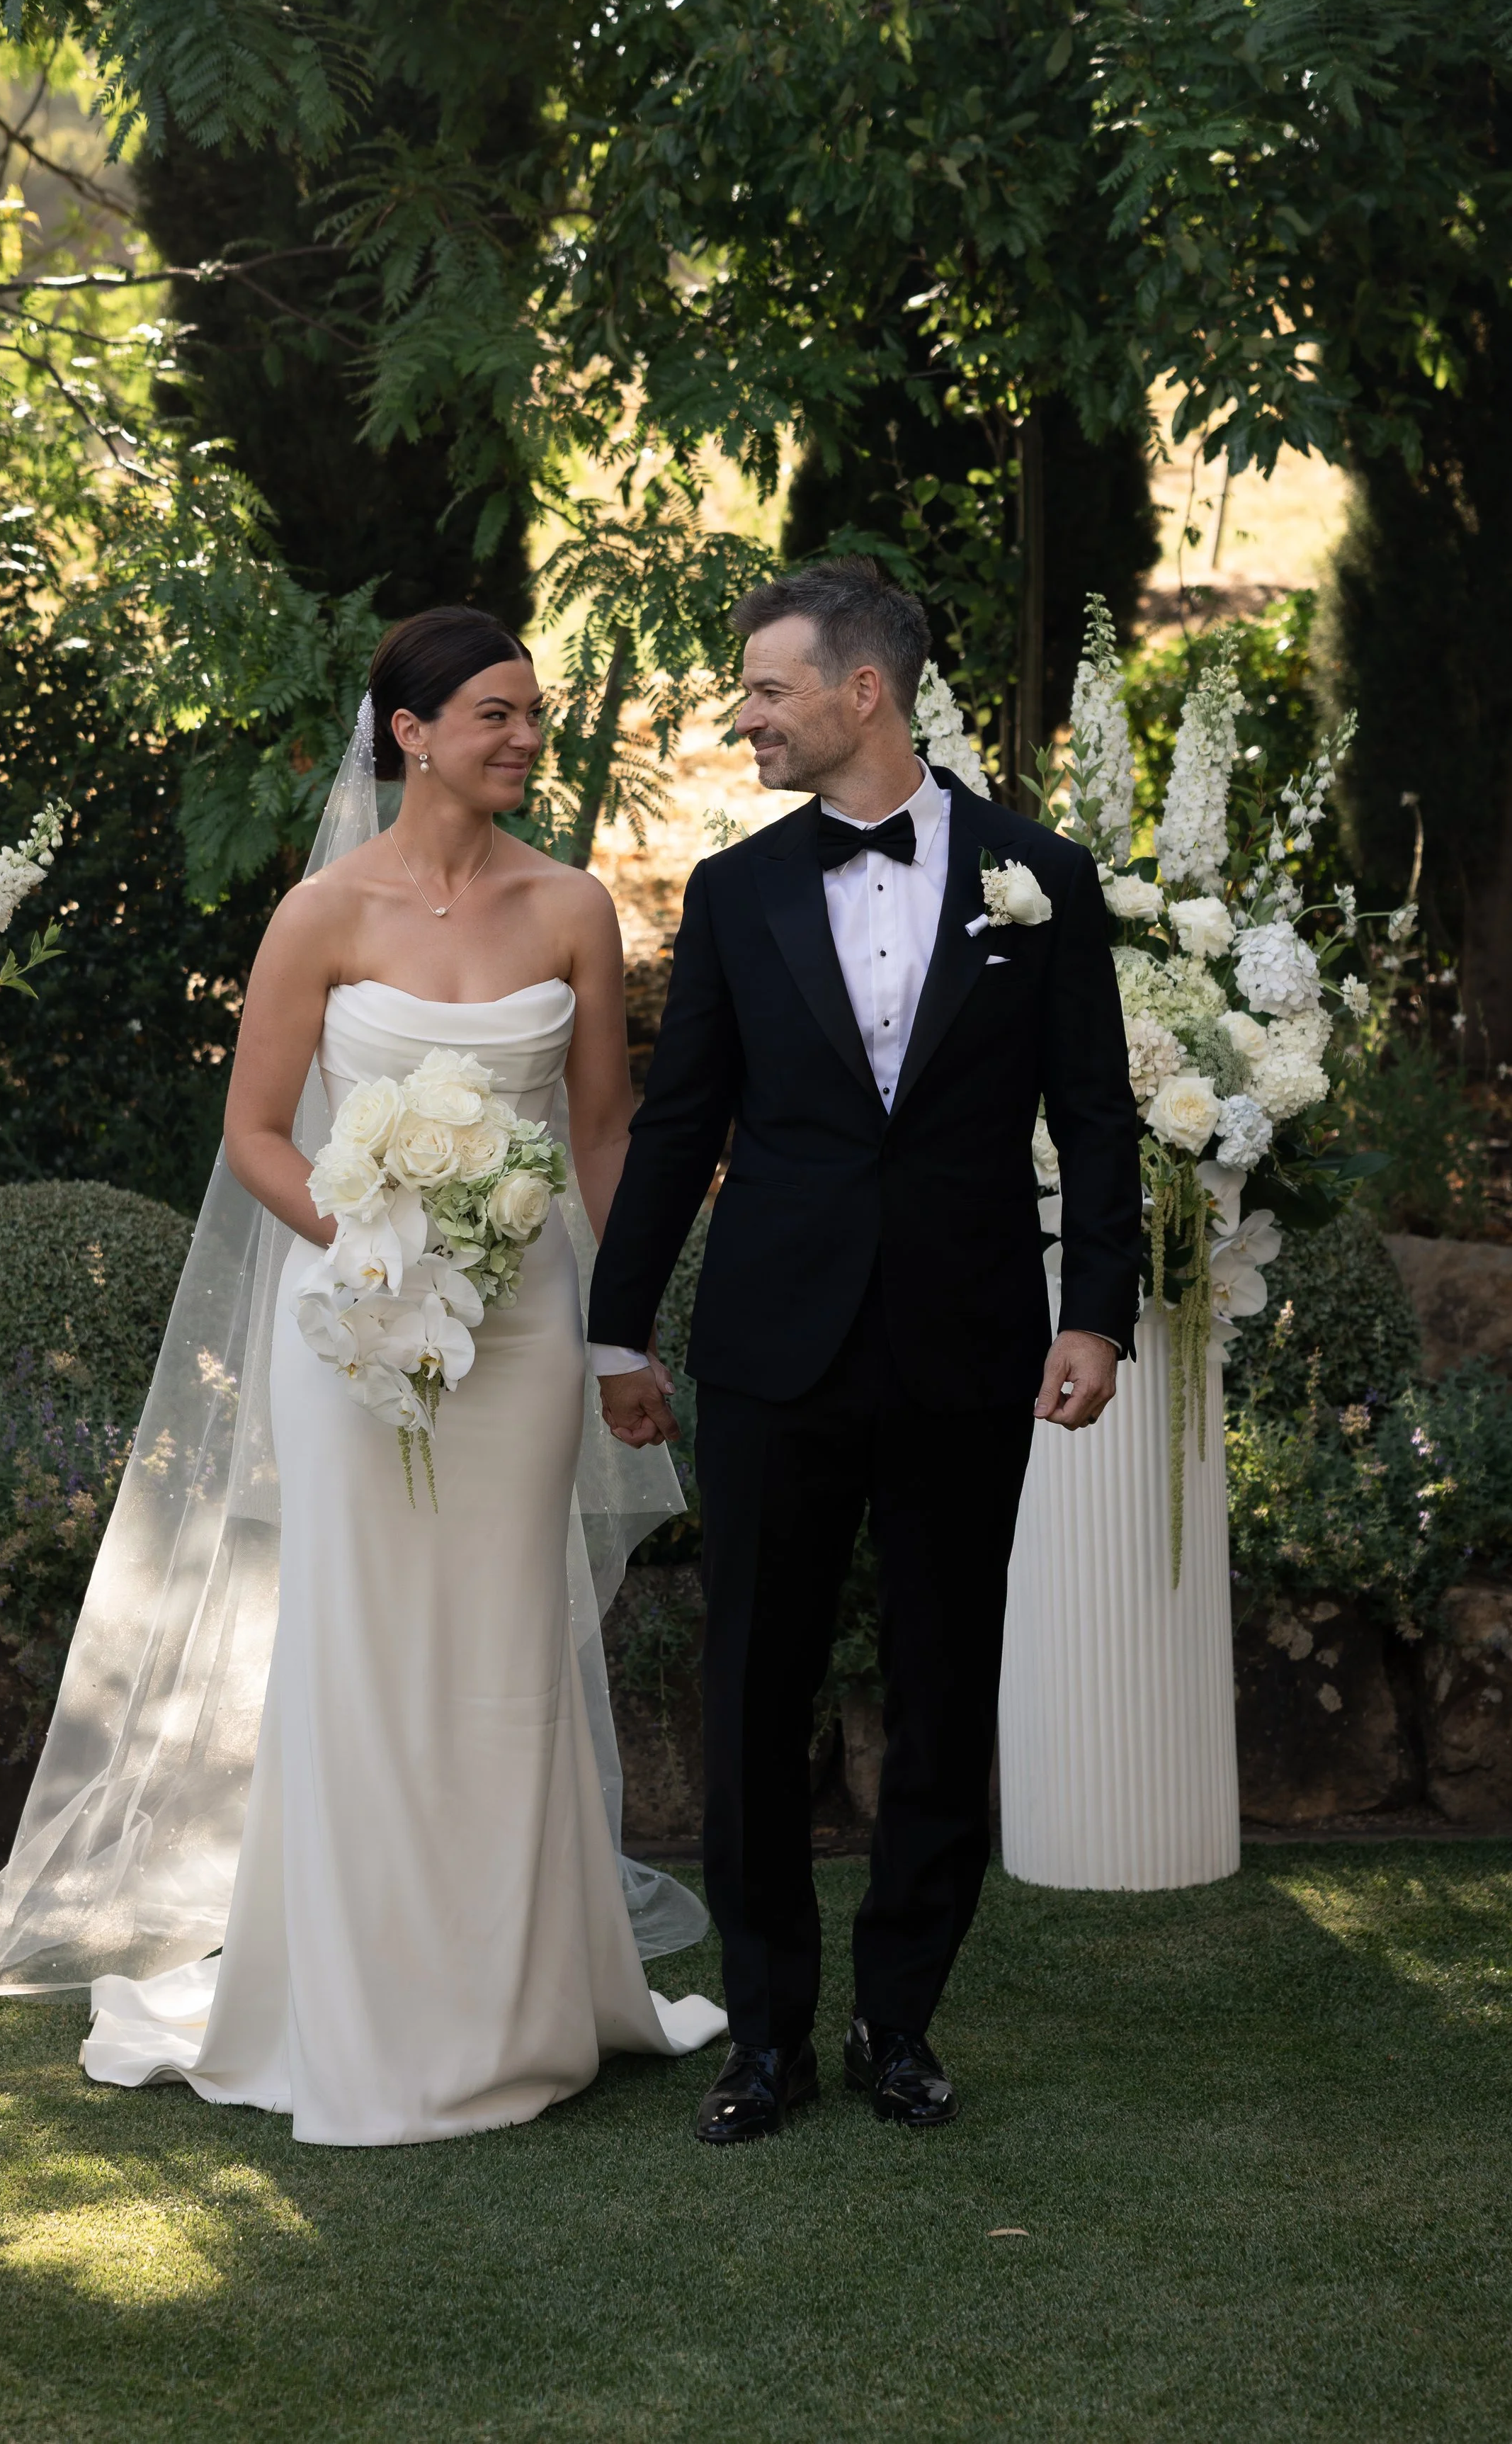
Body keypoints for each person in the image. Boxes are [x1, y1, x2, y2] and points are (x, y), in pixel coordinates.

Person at [69, 607, 726, 2143]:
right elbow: (255, 1137)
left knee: (503, 1652)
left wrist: (621, 1333)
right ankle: (363, 2007)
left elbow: (604, 1132)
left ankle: (518, 2004)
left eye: (531, 715)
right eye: (492, 715)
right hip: (354, 1327)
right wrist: (367, 1251)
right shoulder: (322, 915)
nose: (521, 738)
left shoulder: (571, 906)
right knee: (362, 1646)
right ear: (408, 731)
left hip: (519, 1334)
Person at [588, 558, 1142, 2146]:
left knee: (943, 1684)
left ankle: (899, 2024)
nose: (741, 716)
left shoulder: (1041, 877)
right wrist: (617, 1334)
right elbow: (678, 1120)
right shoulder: (733, 894)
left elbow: (1092, 1119)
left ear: (861, 694)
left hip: (970, 1345)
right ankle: (761, 2041)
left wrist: (1093, 1311)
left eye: (764, 689)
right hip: (773, 1345)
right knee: (751, 1686)